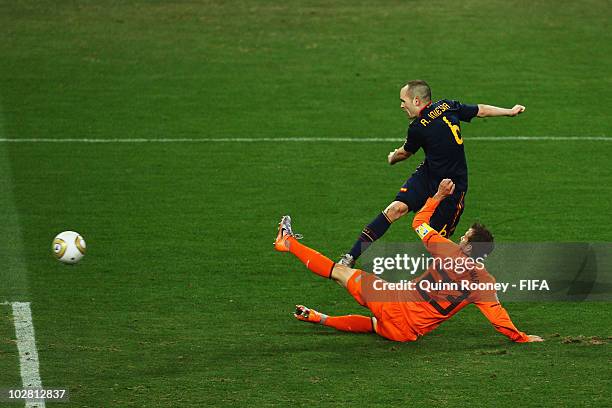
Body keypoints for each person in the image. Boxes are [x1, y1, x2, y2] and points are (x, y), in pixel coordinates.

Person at [274, 179, 543, 343]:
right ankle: (319, 318)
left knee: (339, 271)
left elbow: (418, 222)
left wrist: (437, 197)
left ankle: (287, 242)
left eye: (465, 237)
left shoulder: (447, 250)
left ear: (469, 246)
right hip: (406, 333)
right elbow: (498, 317)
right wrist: (520, 337)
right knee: (374, 326)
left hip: (391, 302)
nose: (460, 237)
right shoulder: (485, 283)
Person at [339, 80, 525, 267]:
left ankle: (461, 282)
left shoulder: (418, 127)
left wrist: (392, 157)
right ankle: (350, 257)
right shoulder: (447, 105)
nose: (401, 105)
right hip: (428, 175)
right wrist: (509, 111)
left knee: (437, 247)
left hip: (452, 188)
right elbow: (481, 110)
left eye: (404, 101)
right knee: (395, 209)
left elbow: (405, 153)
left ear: (417, 101)